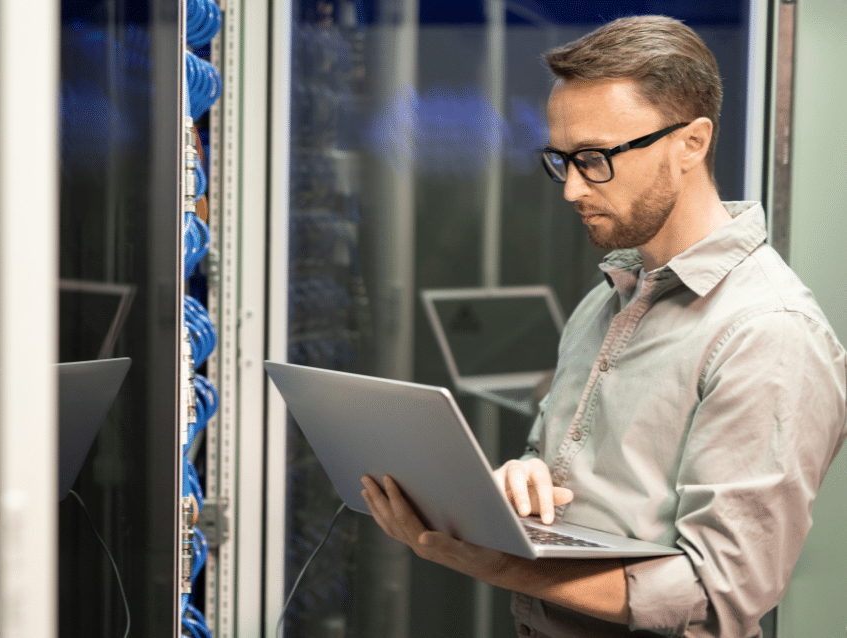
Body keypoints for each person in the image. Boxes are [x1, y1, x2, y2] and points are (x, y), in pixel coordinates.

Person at [361, 15, 846, 638]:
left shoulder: (770, 332)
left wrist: (498, 561)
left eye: (595, 159)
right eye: (560, 160)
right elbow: (560, 473)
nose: (571, 189)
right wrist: (519, 485)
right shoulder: (608, 299)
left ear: (692, 143)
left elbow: (718, 596)